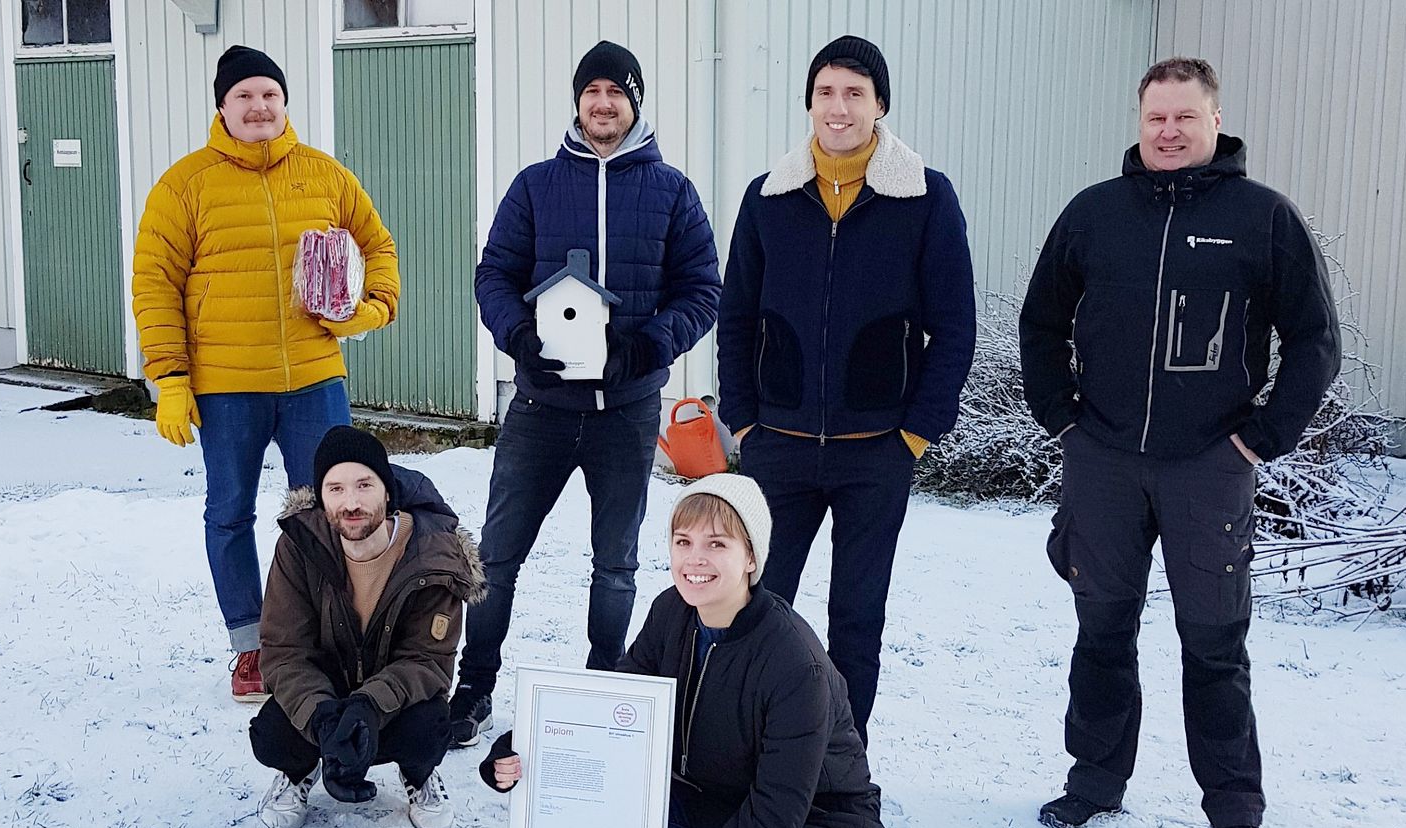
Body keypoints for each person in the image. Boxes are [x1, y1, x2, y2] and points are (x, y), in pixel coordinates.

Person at [1018, 57, 1340, 828]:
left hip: (1211, 464)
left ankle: (1234, 808)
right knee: (1101, 630)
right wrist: (1064, 419)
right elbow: (1041, 321)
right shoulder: (1095, 214)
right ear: (1139, 121)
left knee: (1216, 642)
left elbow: (1314, 340)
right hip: (1106, 461)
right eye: (1156, 117)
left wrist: (1261, 437)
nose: (1168, 131)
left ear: (1215, 121)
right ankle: (1095, 779)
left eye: (1184, 118)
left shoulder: (1263, 217)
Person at [481, 474, 885, 828]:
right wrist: (523, 745)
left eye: (718, 543)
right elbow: (611, 704)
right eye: (683, 541)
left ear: (751, 558)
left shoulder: (793, 663)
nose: (696, 558)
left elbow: (775, 814)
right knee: (588, 812)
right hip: (711, 801)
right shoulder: (672, 611)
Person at [448, 40, 722, 748]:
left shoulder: (671, 192)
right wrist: (519, 338)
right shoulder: (538, 185)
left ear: (635, 104)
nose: (604, 104)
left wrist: (650, 345)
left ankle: (605, 680)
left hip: (626, 416)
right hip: (540, 411)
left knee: (617, 563)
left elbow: (702, 289)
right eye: (592, 91)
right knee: (496, 556)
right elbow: (495, 275)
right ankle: (474, 686)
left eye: (617, 93)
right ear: (578, 102)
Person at [715, 35, 976, 743]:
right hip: (780, 451)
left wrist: (916, 431)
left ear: (880, 104)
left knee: (857, 619)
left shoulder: (924, 197)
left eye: (855, 93)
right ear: (808, 103)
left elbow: (954, 325)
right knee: (759, 607)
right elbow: (735, 316)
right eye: (826, 92)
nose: (839, 107)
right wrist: (742, 420)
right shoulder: (769, 197)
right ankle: (752, 750)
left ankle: (837, 763)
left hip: (876, 453)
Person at [132, 44, 401, 701]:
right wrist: (169, 376)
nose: (258, 107)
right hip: (226, 386)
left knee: (336, 512)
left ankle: (335, 637)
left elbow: (379, 244)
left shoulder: (324, 176)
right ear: (222, 107)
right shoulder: (185, 184)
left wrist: (370, 309)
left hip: (315, 378)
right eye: (244, 96)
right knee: (228, 513)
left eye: (269, 95)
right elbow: (155, 283)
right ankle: (251, 647)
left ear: (285, 104)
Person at [249, 426, 481, 828]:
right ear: (321, 498)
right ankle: (299, 771)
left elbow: (428, 661)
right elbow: (283, 648)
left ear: (387, 491)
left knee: (431, 728)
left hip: (391, 706)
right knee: (271, 734)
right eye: (335, 489)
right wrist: (322, 718)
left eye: (364, 485)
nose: (351, 503)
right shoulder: (299, 545)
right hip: (327, 694)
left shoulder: (433, 556)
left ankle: (419, 774)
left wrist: (369, 708)